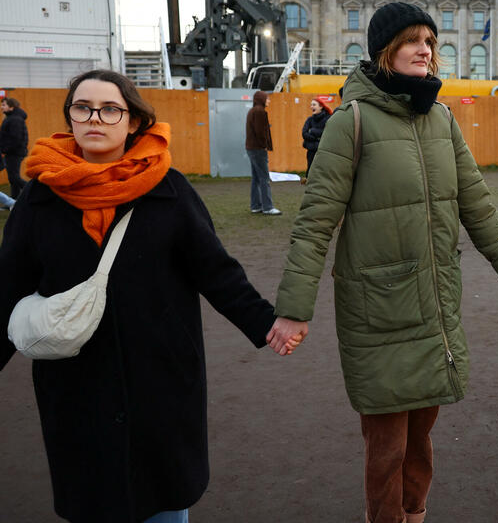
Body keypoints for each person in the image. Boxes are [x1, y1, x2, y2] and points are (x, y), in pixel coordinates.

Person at [267, 2, 498, 523]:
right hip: (379, 311)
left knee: (421, 437)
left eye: (430, 42)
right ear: (385, 51)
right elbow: (315, 221)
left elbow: (476, 204)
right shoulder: (351, 121)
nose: (425, 50)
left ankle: (415, 516)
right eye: (413, 40)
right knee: (387, 445)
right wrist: (294, 308)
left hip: (434, 308)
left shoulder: (440, 118)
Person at [0, 69, 301, 523]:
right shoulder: (40, 196)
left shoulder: (169, 189)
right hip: (76, 387)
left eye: (109, 109)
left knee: (162, 503)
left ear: (133, 121)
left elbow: (216, 272)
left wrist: (265, 323)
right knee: (92, 502)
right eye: (82, 108)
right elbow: (8, 286)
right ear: (70, 119)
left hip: (160, 381)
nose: (94, 118)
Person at [245, 90, 281, 215]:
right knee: (264, 178)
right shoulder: (260, 111)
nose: (269, 100)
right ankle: (268, 207)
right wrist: (264, 145)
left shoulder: (252, 110)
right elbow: (260, 132)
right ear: (261, 99)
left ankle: (255, 206)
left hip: (251, 148)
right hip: (258, 149)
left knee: (256, 178)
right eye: (267, 98)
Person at [0, 96, 29, 198]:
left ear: (11, 107)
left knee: (14, 177)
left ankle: (33, 191)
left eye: (4, 105)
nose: (1, 107)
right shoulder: (11, 118)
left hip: (14, 152)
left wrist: (4, 150)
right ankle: (14, 200)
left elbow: (15, 139)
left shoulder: (15, 119)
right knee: (13, 178)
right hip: (13, 152)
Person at [301, 96, 333, 177]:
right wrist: (316, 138)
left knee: (323, 171)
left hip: (323, 150)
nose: (311, 106)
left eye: (314, 105)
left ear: (321, 106)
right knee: (310, 170)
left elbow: (326, 133)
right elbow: (304, 133)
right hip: (311, 150)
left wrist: (312, 131)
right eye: (311, 105)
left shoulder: (328, 119)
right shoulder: (309, 120)